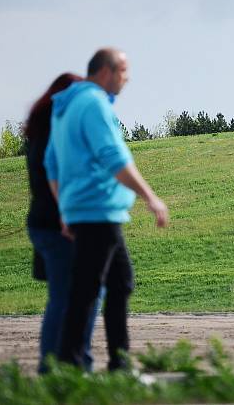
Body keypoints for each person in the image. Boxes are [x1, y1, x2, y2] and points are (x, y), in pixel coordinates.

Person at [45, 47, 169, 371]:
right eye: (124, 72)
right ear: (106, 72)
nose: (127, 79)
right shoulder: (94, 104)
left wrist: (64, 209)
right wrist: (150, 197)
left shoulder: (65, 108)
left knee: (115, 283)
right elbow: (114, 158)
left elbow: (51, 165)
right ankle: (80, 367)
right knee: (91, 289)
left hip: (85, 210)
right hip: (98, 209)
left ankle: (114, 364)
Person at [24, 72, 103, 373]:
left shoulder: (41, 132)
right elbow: (57, 183)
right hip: (60, 225)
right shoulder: (54, 135)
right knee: (74, 296)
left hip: (46, 224)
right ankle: (64, 367)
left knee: (71, 295)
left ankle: (67, 365)